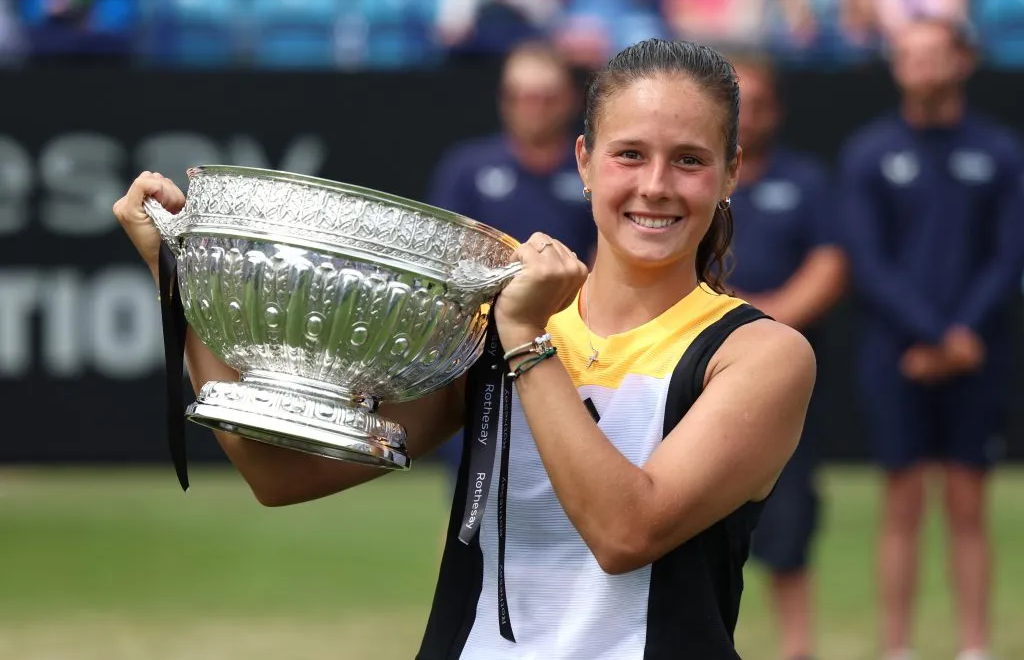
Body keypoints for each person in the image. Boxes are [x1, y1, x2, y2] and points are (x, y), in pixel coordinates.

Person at [113, 38, 817, 659]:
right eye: (629, 153)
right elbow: (278, 477)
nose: (655, 185)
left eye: (689, 160)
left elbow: (625, 531)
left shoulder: (758, 354)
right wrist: (179, 276)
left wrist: (526, 340)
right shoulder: (487, 329)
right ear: (586, 160)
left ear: (730, 173)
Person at [838, 16, 1024, 660]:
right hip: (899, 355)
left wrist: (961, 334)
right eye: (906, 56)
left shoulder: (998, 152)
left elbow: (1008, 256)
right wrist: (929, 335)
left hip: (978, 353)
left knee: (970, 503)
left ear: (961, 61)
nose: (917, 68)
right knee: (903, 503)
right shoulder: (868, 153)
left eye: (930, 55)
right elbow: (867, 259)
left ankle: (974, 646)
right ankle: (898, 647)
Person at [426, 39, 598, 489]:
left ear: (568, 100)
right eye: (521, 95)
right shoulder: (467, 167)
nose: (532, 107)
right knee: (471, 501)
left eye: (544, 96)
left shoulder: (593, 171)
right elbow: (447, 256)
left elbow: (607, 256)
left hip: (574, 351)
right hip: (478, 353)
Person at [727, 54, 848, 660]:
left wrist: (761, 325)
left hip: (784, 386)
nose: (750, 118)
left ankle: (797, 648)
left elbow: (831, 265)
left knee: (790, 520)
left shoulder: (806, 181)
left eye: (760, 103)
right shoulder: (692, 178)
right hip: (694, 376)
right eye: (738, 104)